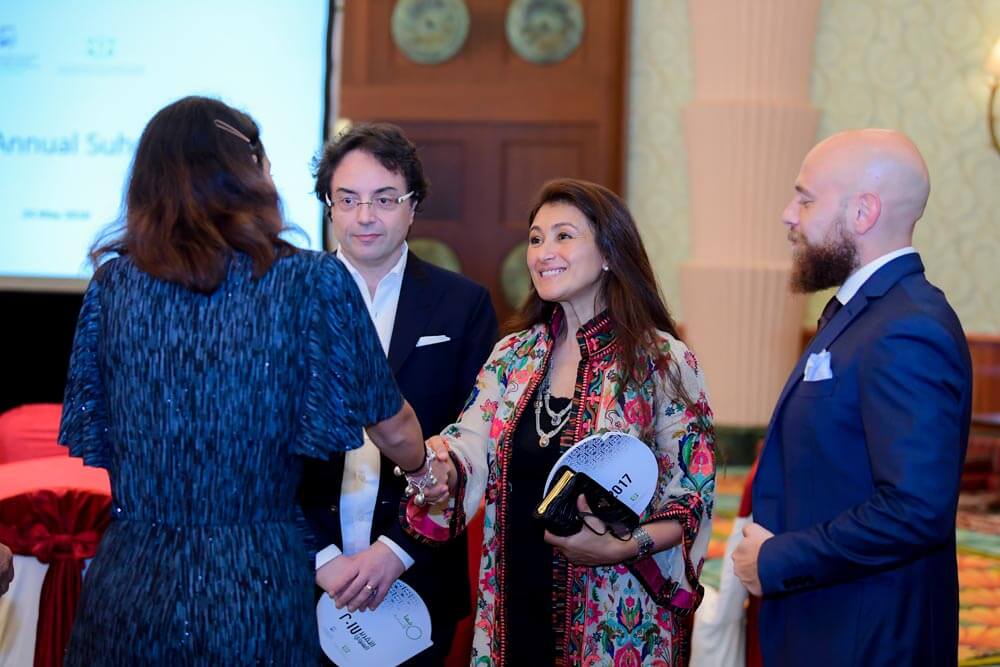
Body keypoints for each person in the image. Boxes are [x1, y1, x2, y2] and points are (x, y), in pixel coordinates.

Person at [57, 96, 441, 665]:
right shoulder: (309, 281)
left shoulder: (113, 286)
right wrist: (425, 472)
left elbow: (101, 428)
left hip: (133, 576)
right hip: (254, 581)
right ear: (250, 174)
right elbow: (391, 425)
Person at [406, 178, 716, 666]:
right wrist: (432, 460)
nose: (543, 252)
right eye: (535, 239)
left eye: (564, 236)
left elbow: (692, 492)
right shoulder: (512, 355)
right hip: (513, 602)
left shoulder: (661, 360)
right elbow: (466, 446)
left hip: (615, 612)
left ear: (610, 253)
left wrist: (623, 547)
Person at [732, 129, 973, 666]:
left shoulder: (908, 327)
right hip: (828, 624)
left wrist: (777, 559)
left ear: (863, 212)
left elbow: (914, 510)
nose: (788, 215)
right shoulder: (867, 312)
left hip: (866, 639)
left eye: (805, 199)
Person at [299, 123, 497, 664]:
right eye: (348, 199)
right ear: (329, 207)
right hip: (299, 574)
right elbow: (258, 448)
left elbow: (475, 440)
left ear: (413, 207)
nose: (365, 216)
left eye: (385, 199)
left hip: (419, 575)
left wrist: (396, 550)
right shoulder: (285, 301)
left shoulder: (463, 305)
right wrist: (321, 560)